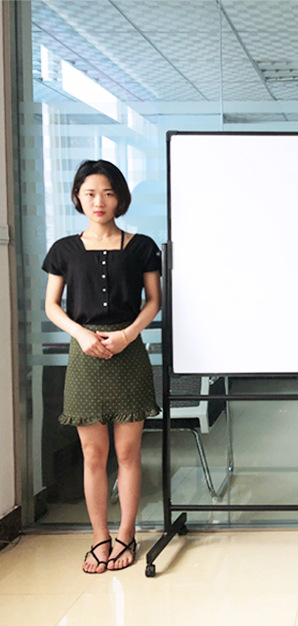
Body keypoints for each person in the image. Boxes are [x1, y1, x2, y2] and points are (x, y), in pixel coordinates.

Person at [42, 160, 161, 573]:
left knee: (128, 453)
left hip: (129, 352)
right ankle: (99, 537)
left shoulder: (142, 246)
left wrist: (127, 335)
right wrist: (81, 335)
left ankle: (127, 533)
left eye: (108, 193)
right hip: (85, 354)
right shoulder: (63, 249)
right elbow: (51, 305)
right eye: (90, 193)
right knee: (93, 454)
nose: (99, 201)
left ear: (120, 198)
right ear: (77, 197)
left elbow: (154, 301)